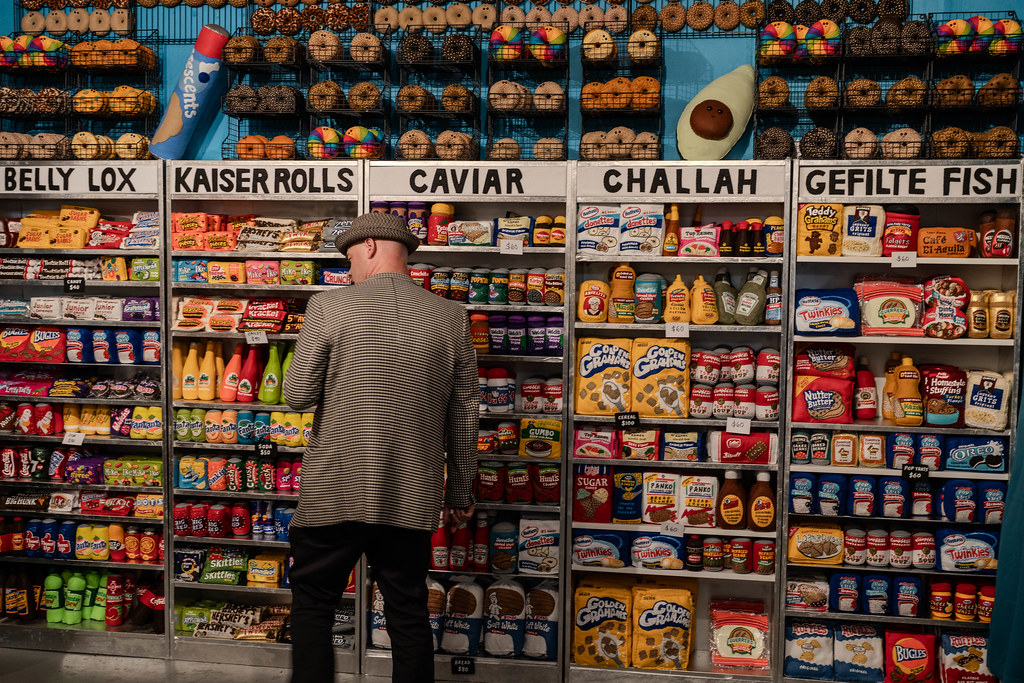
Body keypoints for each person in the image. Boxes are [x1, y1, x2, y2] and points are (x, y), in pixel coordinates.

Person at [282, 212, 478, 683]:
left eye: (348, 258)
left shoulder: (329, 308)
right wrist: (460, 492)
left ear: (369, 247)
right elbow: (465, 414)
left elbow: (296, 395)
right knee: (407, 610)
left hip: (335, 488)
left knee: (313, 604)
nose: (348, 271)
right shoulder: (452, 317)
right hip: (410, 493)